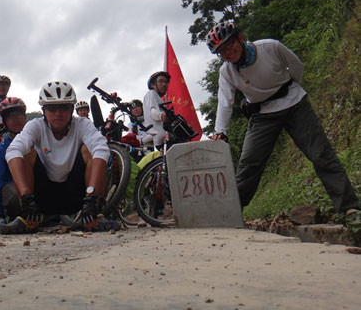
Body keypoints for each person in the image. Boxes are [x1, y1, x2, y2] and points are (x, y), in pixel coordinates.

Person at [207, 21, 360, 221]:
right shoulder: (226, 72)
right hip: (262, 115)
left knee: (320, 154)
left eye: (229, 46)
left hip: (295, 104)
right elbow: (225, 102)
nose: (228, 53)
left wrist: (288, 91)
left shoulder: (270, 47)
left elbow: (296, 67)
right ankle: (231, 214)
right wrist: (221, 131)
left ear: (240, 38)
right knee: (249, 164)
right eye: (221, 52)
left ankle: (349, 208)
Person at [0, 81, 119, 234]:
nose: (58, 113)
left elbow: (101, 149)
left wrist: (92, 196)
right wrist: (26, 196)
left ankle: (94, 216)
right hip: (42, 195)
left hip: (79, 194)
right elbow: (13, 151)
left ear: (72, 109)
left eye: (64, 107)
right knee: (25, 151)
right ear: (43, 110)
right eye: (52, 108)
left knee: (91, 150)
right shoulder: (36, 125)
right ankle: (28, 219)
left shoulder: (82, 124)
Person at [0, 97, 27, 230]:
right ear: (4, 123)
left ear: (25, 117)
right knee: (15, 193)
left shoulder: (37, 139)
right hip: (14, 189)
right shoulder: (1, 150)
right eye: (10, 116)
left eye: (19, 114)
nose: (15, 119)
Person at [143, 71, 171, 148]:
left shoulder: (159, 99)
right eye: (161, 81)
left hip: (163, 135)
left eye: (166, 82)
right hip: (160, 136)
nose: (164, 84)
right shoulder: (151, 93)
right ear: (152, 84)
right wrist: (160, 115)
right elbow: (152, 110)